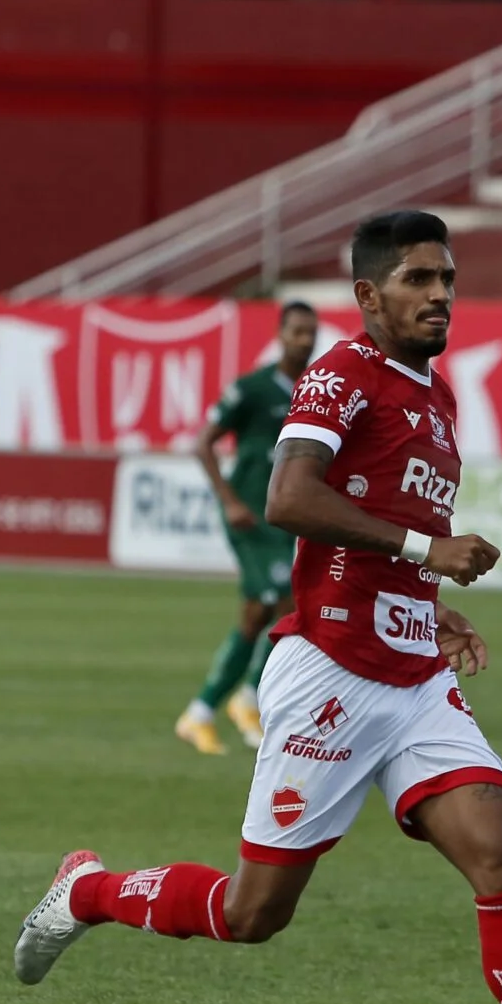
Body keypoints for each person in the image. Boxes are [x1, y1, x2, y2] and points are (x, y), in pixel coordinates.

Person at [15, 210, 502, 1004]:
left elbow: (388, 524)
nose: (440, 293)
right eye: (417, 279)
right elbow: (289, 498)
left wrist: (429, 599)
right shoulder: (338, 376)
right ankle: (92, 889)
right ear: (369, 297)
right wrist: (424, 549)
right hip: (328, 673)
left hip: (410, 675)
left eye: (447, 277)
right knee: (254, 914)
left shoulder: (435, 398)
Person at [178, 301, 320, 755]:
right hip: (250, 517)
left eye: (310, 332)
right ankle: (239, 701)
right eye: (296, 331)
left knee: (266, 612)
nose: (304, 340)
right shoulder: (253, 390)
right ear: (279, 334)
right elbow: (203, 444)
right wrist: (231, 501)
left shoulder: (316, 390)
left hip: (286, 518)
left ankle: (208, 710)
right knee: (282, 603)